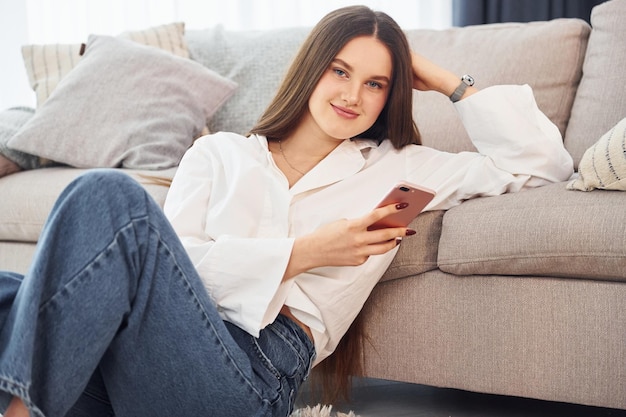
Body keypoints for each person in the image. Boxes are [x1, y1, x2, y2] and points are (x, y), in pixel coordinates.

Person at [0, 5, 573, 417]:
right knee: (10, 293)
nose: (352, 95)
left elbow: (545, 166)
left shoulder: (403, 172)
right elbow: (175, 273)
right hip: (146, 364)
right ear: (311, 68)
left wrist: (446, 79)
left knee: (108, 196)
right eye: (341, 72)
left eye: (376, 83)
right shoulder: (219, 154)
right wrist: (306, 253)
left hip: (248, 379)